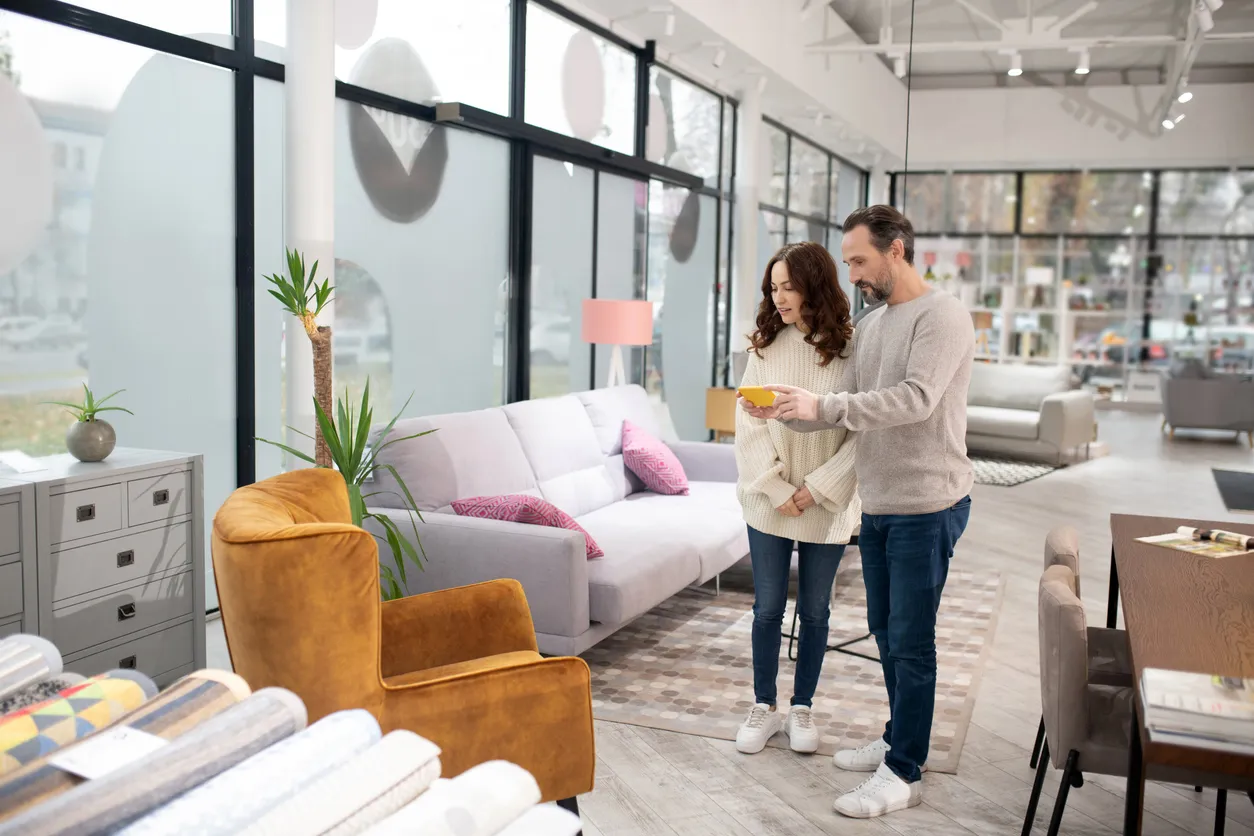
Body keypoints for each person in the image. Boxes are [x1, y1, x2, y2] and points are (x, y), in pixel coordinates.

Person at [741, 205, 975, 820]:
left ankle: (904, 770)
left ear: (896, 249)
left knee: (912, 641)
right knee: (885, 631)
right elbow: (849, 404)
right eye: (846, 264)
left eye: (860, 261)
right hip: (879, 503)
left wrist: (820, 407)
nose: (853, 274)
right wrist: (792, 411)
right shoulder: (871, 326)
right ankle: (899, 737)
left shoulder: (942, 316)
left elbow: (913, 400)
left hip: (928, 502)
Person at [733, 241, 860, 757]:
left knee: (815, 611)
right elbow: (747, 424)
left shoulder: (852, 352)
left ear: (815, 285)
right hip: (768, 503)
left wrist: (818, 489)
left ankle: (802, 706)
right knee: (766, 610)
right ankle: (764, 705)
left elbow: (861, 431)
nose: (778, 296)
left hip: (825, 505)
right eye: (773, 287)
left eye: (788, 285)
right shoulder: (764, 348)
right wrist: (779, 488)